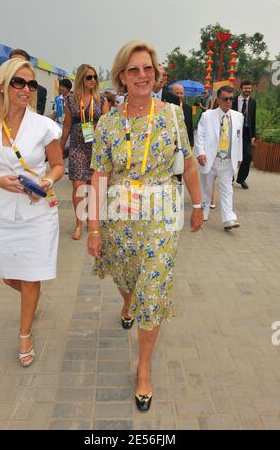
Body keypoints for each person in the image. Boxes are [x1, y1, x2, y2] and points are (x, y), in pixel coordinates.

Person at [88, 40, 203, 411]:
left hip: (162, 220)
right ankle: (126, 302)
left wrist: (198, 204)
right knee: (127, 280)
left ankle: (143, 368)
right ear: (121, 76)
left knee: (151, 292)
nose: (142, 76)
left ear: (156, 74)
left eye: (148, 69)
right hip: (120, 218)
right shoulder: (107, 123)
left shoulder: (171, 116)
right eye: (134, 70)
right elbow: (99, 177)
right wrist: (92, 227)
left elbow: (186, 165)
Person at [0, 59, 64, 367]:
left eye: (31, 84)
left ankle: (25, 333)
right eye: (19, 82)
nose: (26, 89)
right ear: (2, 86)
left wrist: (47, 180)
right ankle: (32, 300)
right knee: (7, 277)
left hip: (38, 213)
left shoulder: (44, 126)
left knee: (31, 277)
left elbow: (58, 166)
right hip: (2, 213)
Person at [60, 64, 109, 240]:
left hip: (96, 148)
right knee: (78, 185)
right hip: (77, 146)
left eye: (95, 77)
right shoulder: (71, 100)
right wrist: (59, 149)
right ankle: (79, 223)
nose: (93, 80)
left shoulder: (101, 99)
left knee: (92, 186)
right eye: (89, 77)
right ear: (81, 78)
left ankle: (91, 218)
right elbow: (66, 125)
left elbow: (107, 125)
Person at [195, 86, 244, 230]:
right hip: (210, 158)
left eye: (231, 99)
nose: (229, 102)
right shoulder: (207, 115)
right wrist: (200, 153)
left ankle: (229, 218)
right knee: (206, 188)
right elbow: (200, 135)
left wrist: (239, 158)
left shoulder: (238, 116)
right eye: (225, 99)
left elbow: (238, 139)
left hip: (228, 160)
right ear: (218, 100)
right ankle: (203, 212)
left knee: (227, 189)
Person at [233, 80, 257, 189]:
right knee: (231, 154)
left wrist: (253, 136)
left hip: (247, 132)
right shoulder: (233, 100)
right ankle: (229, 178)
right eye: (245, 88)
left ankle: (241, 179)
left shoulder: (252, 102)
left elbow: (253, 119)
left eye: (249, 88)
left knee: (248, 156)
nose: (247, 90)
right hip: (234, 131)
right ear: (241, 88)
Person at [9, 49, 48, 115]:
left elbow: (38, 116)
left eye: (21, 63)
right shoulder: (2, 86)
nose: (16, 66)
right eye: (13, 63)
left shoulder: (40, 91)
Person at [171, 83, 194, 148]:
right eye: (177, 93)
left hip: (184, 144)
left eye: (181, 93)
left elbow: (190, 127)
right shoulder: (166, 107)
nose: (179, 95)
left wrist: (191, 144)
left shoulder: (188, 108)